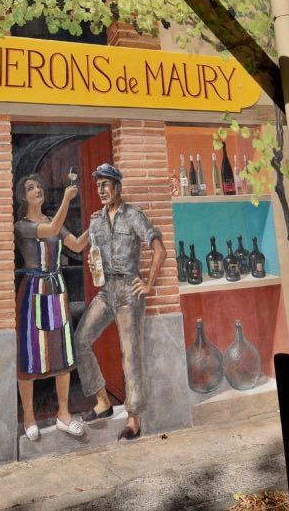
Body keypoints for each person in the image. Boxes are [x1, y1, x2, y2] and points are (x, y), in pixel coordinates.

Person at [72, 163, 166, 441]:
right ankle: (102, 401)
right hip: (106, 290)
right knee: (81, 339)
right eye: (98, 185)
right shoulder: (95, 221)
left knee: (131, 354)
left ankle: (134, 419)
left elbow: (159, 250)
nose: (101, 190)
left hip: (129, 291)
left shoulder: (134, 215)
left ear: (117, 187)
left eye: (106, 184)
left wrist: (148, 283)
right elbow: (80, 247)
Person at [14, 173, 89, 442]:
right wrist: (67, 200)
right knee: (29, 355)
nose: (37, 190)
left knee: (61, 352)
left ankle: (64, 414)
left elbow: (77, 246)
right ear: (23, 197)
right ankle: (29, 417)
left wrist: (97, 224)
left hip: (56, 290)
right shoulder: (22, 226)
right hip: (33, 292)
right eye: (30, 188)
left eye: (39, 186)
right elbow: (51, 230)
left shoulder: (52, 220)